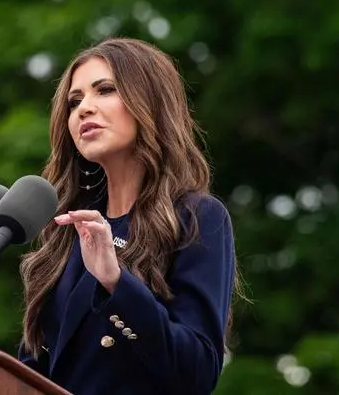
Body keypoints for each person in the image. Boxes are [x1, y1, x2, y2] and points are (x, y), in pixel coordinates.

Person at [17, 37, 240, 395]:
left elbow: (197, 371)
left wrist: (116, 283)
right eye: (74, 101)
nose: (84, 109)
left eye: (104, 90)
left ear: (148, 102)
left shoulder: (197, 217)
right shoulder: (69, 228)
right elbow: (34, 368)